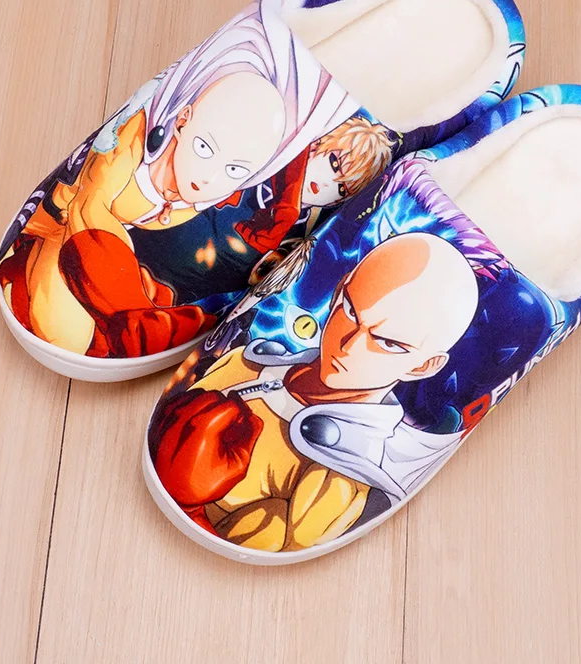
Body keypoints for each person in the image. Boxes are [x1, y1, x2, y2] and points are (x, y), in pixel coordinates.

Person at [0, 0, 358, 357]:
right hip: (69, 232)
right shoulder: (136, 138)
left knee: (74, 332)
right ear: (183, 120)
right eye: (204, 147)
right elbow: (88, 206)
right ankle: (140, 322)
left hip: (116, 271)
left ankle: (139, 318)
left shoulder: (226, 198)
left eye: (235, 170)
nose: (209, 177)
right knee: (62, 326)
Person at [149, 232, 480, 552]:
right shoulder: (246, 361)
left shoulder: (341, 475)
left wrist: (194, 504)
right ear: (339, 291)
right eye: (351, 311)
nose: (348, 345)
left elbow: (273, 536)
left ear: (423, 366)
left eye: (388, 343)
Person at [233, 115, 394, 252]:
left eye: (342, 188)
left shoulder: (299, 233)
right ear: (315, 146)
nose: (328, 184)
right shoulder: (259, 172)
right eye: (334, 164)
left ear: (337, 202)